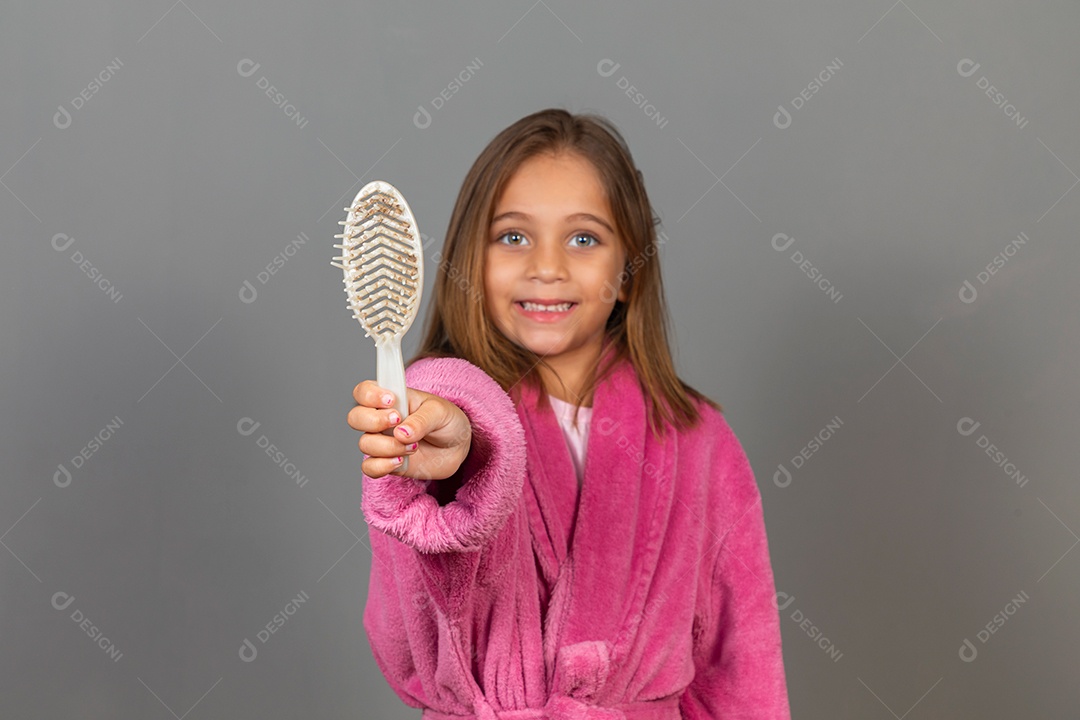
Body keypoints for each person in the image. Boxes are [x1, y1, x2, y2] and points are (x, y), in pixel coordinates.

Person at [347, 108, 791, 719]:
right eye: (513, 236)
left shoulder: (698, 440)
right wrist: (461, 450)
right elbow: (405, 626)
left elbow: (741, 671)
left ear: (629, 271)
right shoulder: (425, 422)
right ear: (469, 259)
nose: (547, 267)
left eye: (584, 238)